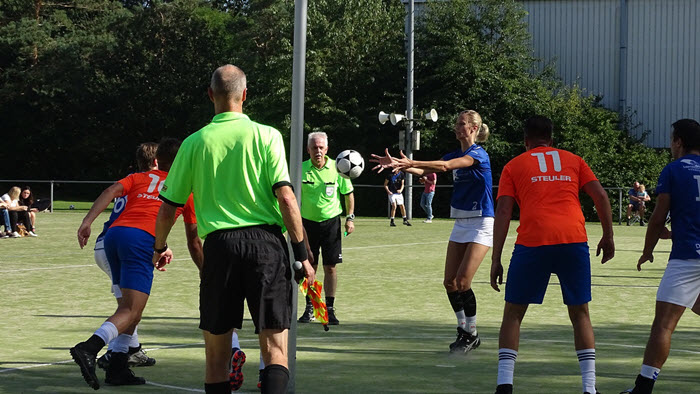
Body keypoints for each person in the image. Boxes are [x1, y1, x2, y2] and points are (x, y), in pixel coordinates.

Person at [151, 64, 314, 394]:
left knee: (216, 359)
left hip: (220, 248)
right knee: (275, 352)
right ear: (245, 94)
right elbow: (286, 198)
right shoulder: (267, 136)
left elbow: (169, 206)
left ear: (210, 95)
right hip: (267, 246)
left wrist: (159, 247)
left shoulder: (194, 143)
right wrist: (303, 254)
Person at [489, 116, 615, 394]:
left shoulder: (514, 165)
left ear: (526, 142)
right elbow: (601, 196)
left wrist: (496, 257)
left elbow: (503, 211)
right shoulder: (574, 160)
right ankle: (590, 388)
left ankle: (504, 386)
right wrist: (608, 235)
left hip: (534, 241)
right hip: (572, 238)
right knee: (580, 313)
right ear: (552, 140)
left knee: (513, 314)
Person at [69, 138, 196, 390]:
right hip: (140, 240)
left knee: (128, 308)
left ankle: (118, 367)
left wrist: (87, 221)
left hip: (113, 237)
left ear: (158, 160)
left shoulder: (139, 177)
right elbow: (193, 237)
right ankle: (90, 347)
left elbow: (110, 192)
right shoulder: (186, 188)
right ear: (183, 162)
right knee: (131, 311)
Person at [372, 109, 493, 353]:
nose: (457, 127)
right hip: (461, 222)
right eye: (457, 123)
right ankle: (464, 330)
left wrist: (411, 162)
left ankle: (472, 332)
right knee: (449, 282)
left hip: (481, 222)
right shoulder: (454, 153)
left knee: (463, 281)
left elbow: (445, 166)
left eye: (461, 124)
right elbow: (428, 171)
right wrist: (400, 166)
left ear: (473, 129)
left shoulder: (478, 155)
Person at [621, 119, 700, 394]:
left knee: (664, 325)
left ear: (678, 141)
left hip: (688, 257)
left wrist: (647, 251)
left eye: (671, 139)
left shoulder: (675, 170)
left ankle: (643, 388)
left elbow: (656, 218)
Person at [93, 143, 159, 371]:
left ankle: (130, 348)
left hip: (108, 240)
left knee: (129, 306)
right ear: (158, 161)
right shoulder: (158, 182)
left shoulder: (132, 179)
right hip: (127, 242)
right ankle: (112, 352)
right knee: (130, 308)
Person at [297, 131, 355, 325]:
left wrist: (350, 218)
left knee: (330, 267)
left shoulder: (338, 168)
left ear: (327, 149)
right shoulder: (299, 170)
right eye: (314, 148)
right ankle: (312, 307)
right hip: (307, 225)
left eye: (321, 147)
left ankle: (329, 309)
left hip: (331, 224)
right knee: (309, 267)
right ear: (308, 150)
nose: (318, 151)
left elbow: (348, 194)